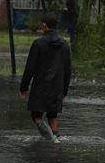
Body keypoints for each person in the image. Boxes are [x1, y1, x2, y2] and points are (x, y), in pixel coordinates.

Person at [19, 12, 71, 142]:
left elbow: (30, 68)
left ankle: (52, 140)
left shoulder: (38, 44)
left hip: (41, 86)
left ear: (44, 26)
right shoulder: (65, 45)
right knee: (52, 115)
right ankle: (55, 139)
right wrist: (65, 91)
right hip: (57, 87)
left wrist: (23, 87)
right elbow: (67, 70)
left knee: (36, 115)